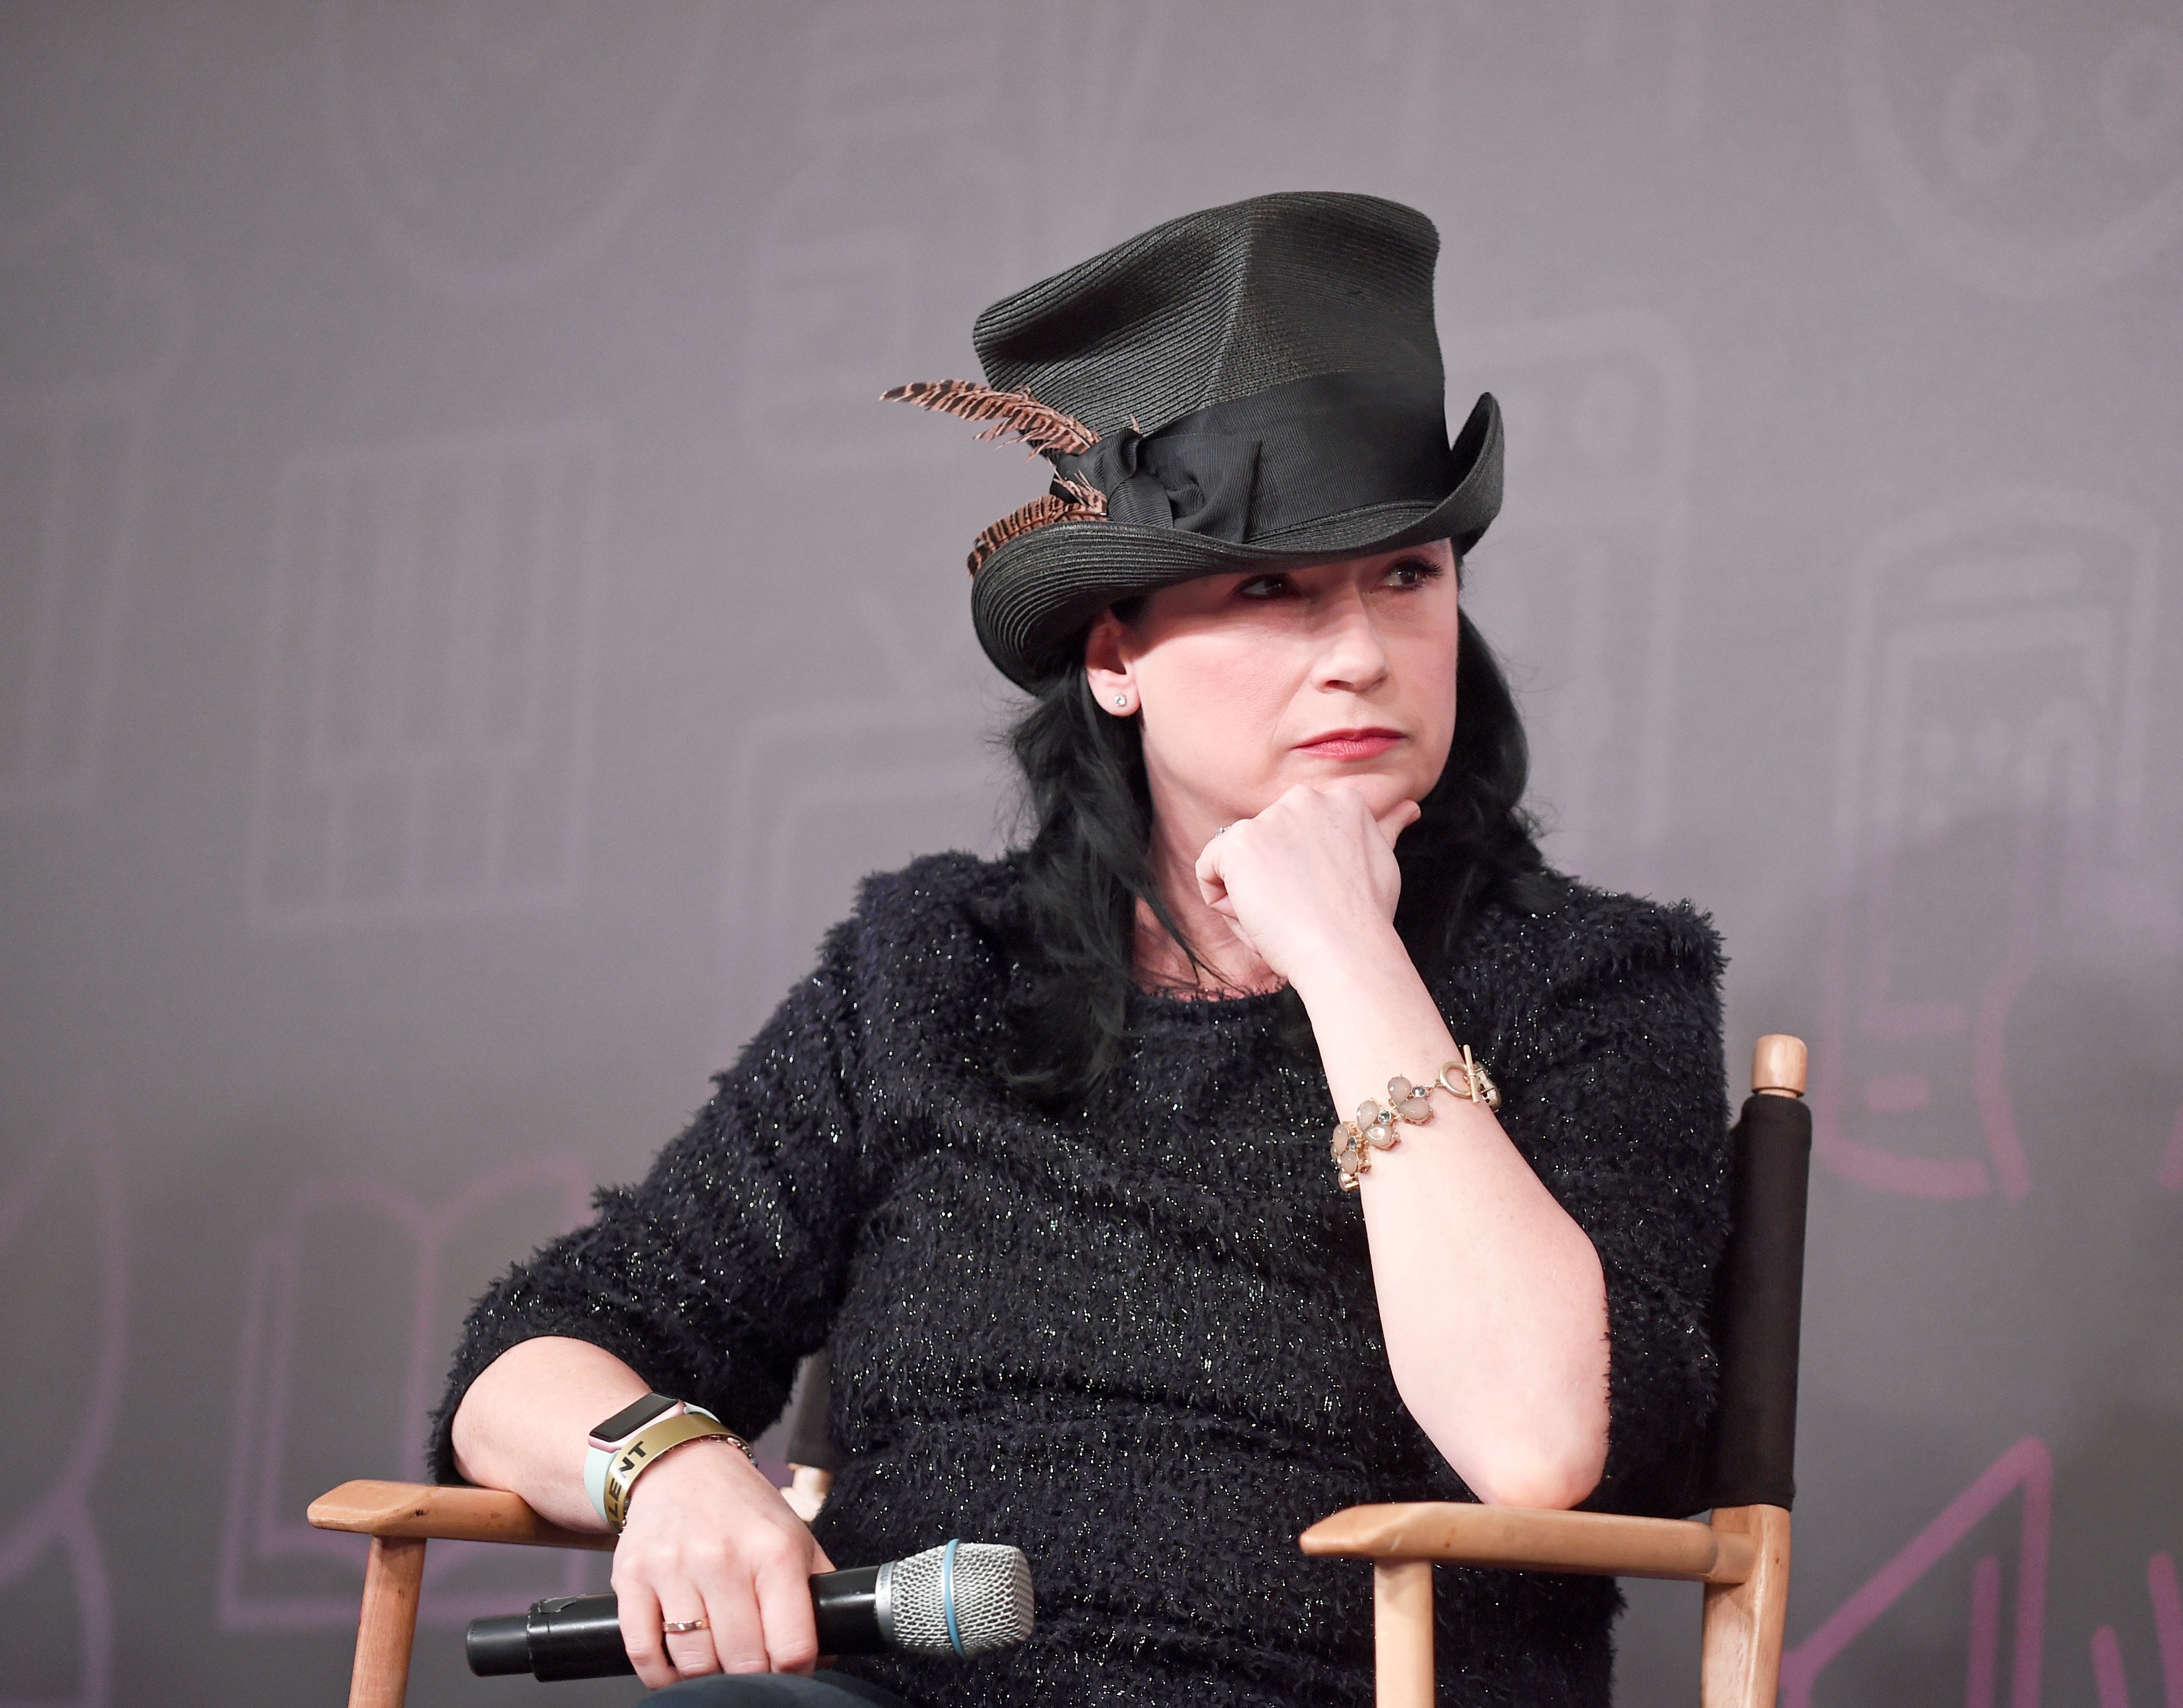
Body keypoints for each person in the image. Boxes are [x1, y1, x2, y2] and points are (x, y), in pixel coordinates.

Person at [432, 192, 1732, 1708]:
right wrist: (668, 1465)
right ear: (1115, 651)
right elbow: (526, 1357)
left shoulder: (1590, 982)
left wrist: (1346, 954)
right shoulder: (936, 968)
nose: (1361, 653)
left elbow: (1535, 1441)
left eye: (1408, 576)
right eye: (1269, 588)